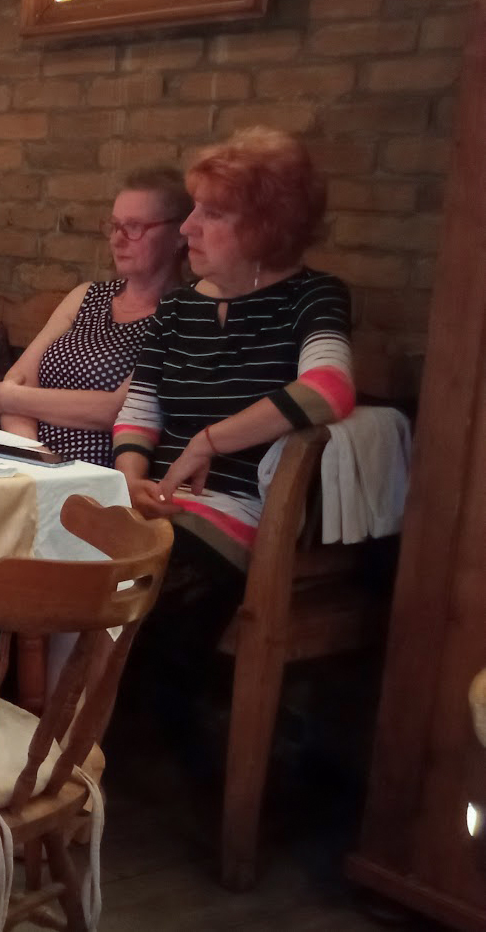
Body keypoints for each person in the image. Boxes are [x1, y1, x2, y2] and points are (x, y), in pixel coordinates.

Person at [112, 129, 355, 724]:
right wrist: (130, 477)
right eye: (193, 209)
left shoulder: (313, 297)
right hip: (156, 497)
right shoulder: (179, 307)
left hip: (241, 508)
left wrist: (209, 441)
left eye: (212, 214)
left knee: (145, 590)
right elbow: (140, 407)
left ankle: (120, 745)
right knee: (54, 560)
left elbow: (329, 387)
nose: (187, 228)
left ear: (268, 226)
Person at [0, 168, 192, 466]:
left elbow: (118, 409)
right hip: (31, 461)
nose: (117, 240)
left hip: (100, 472)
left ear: (179, 235)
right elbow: (18, 378)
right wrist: (36, 456)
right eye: (114, 226)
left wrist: (8, 397)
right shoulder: (87, 295)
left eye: (134, 227)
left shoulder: (184, 312)